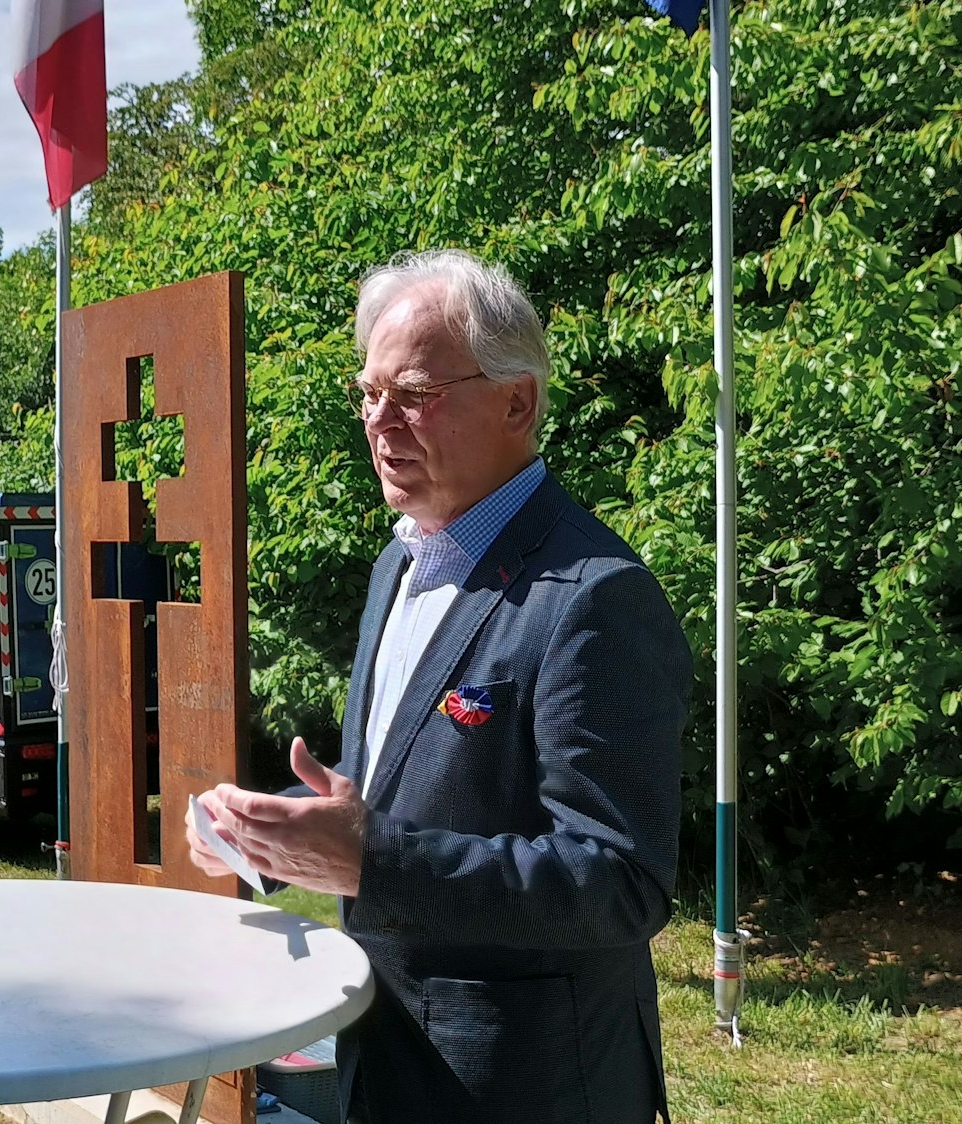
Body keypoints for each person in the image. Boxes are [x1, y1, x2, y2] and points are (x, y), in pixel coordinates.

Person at [187, 249, 692, 1124]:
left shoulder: (594, 595)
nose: (380, 422)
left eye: (414, 393)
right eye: (369, 393)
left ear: (517, 403)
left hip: (523, 1087)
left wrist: (369, 859)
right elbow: (399, 788)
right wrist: (271, 832)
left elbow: (620, 883)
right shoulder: (400, 563)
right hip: (385, 1057)